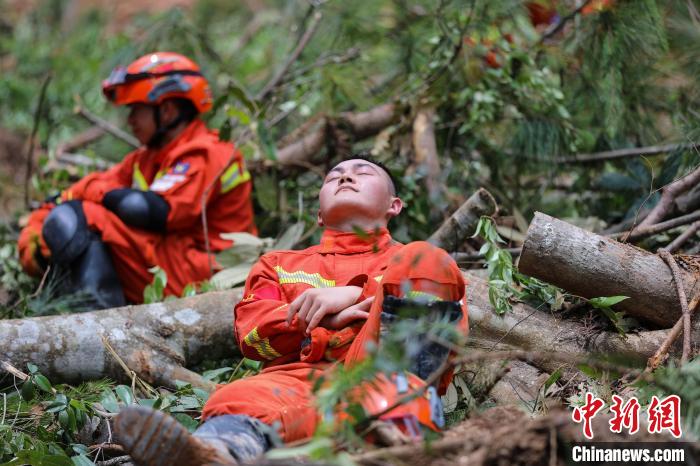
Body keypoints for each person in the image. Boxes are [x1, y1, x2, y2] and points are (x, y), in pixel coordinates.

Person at [114, 156, 468, 465]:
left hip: (384, 383)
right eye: (334, 176)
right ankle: (216, 455)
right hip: (298, 386)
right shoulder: (278, 264)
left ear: (395, 205)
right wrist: (320, 321)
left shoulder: (408, 260)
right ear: (318, 215)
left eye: (362, 172)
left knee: (427, 259)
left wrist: (354, 292)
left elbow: (448, 328)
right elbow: (253, 336)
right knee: (238, 396)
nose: (345, 177)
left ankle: (400, 427)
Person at [17, 52, 256, 308]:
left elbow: (151, 211)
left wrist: (85, 195)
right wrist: (36, 228)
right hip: (171, 263)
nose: (130, 120)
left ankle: (101, 330)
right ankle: (85, 315)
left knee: (84, 217)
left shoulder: (207, 151)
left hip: (210, 272)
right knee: (68, 219)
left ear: (167, 111)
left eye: (136, 110)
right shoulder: (146, 159)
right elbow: (78, 194)